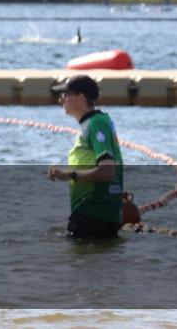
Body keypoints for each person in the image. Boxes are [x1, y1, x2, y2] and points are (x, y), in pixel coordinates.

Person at [47, 75, 125, 239]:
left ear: (81, 97)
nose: (61, 100)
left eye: (65, 95)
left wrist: (68, 175)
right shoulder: (95, 122)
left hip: (93, 214)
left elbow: (107, 171)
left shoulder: (96, 124)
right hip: (94, 212)